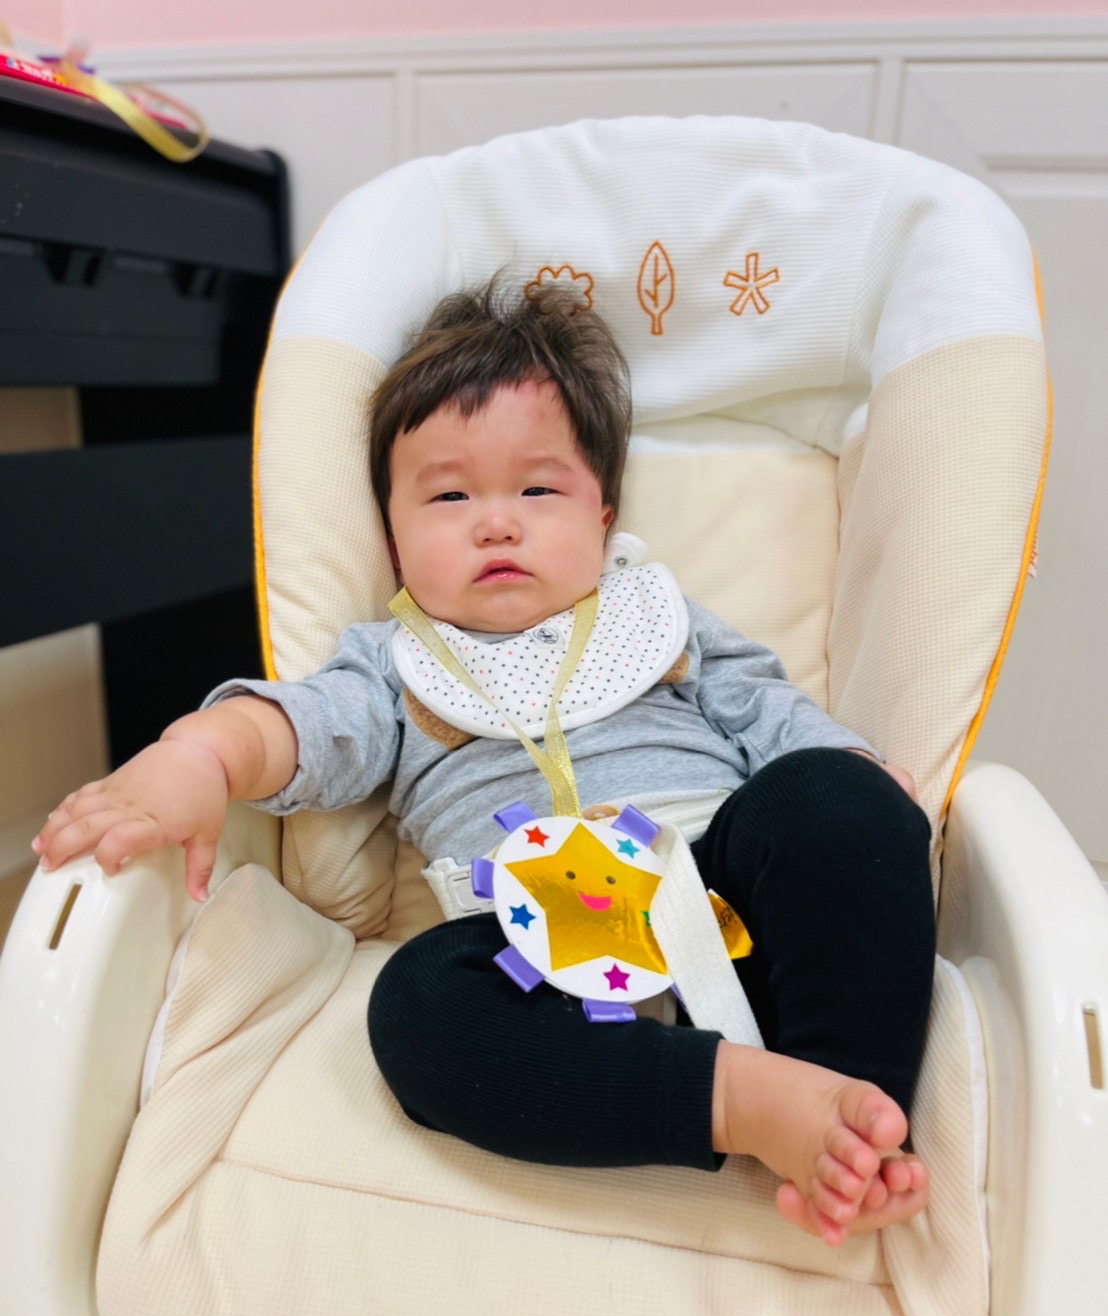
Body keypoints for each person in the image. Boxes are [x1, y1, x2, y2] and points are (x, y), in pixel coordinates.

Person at [32, 279, 935, 1246]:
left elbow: (771, 712)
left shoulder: (661, 620)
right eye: (449, 496)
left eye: (538, 491)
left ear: (603, 516)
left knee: (833, 800)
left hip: (725, 898)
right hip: (533, 952)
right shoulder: (390, 666)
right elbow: (303, 727)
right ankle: (741, 1100)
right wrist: (201, 755)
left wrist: (851, 777)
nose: (496, 523)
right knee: (416, 1007)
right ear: (393, 540)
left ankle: (851, 1112)